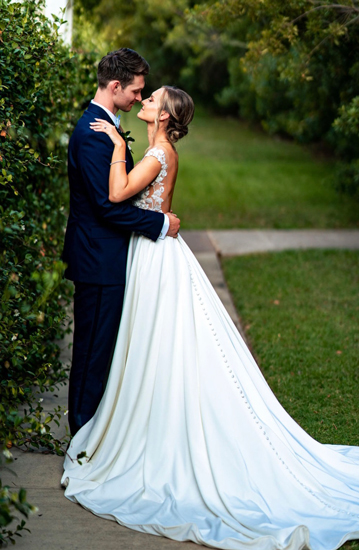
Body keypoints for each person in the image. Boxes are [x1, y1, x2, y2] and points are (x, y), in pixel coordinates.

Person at [62, 86, 359, 550]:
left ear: (164, 116)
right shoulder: (162, 148)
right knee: (150, 349)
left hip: (156, 259)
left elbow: (117, 192)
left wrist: (119, 146)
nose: (146, 101)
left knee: (160, 347)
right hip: (149, 253)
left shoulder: (159, 152)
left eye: (153, 98)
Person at [62, 49, 180, 436]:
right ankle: (81, 439)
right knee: (93, 354)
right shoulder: (94, 133)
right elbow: (107, 208)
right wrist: (160, 223)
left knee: (105, 352)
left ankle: (98, 434)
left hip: (109, 256)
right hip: (99, 258)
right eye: (135, 90)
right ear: (115, 86)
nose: (138, 98)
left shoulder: (103, 125)